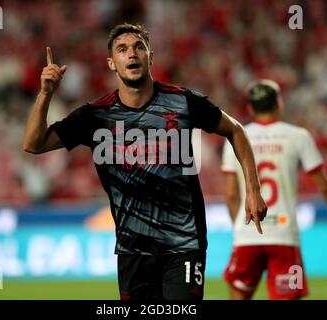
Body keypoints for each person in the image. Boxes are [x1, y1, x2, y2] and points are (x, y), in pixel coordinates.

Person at [23, 23, 267, 301]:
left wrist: (253, 190)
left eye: (139, 47)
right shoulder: (95, 117)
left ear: (151, 57)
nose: (132, 54)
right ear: (111, 63)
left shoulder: (183, 102)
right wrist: (45, 94)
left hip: (184, 243)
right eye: (122, 49)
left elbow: (236, 130)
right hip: (132, 250)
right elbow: (33, 144)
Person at [221, 79, 327, 300]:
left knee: (238, 297)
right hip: (284, 235)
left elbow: (231, 195)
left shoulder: (235, 137)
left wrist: (240, 227)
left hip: (247, 237)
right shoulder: (298, 137)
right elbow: (324, 184)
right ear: (279, 103)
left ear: (250, 107)